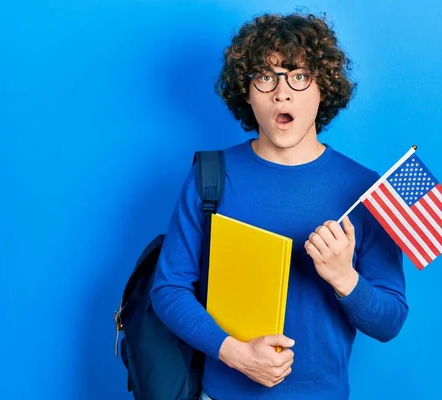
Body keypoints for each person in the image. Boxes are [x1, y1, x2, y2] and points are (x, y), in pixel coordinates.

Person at [150, 12, 408, 400]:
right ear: (247, 92)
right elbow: (169, 289)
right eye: (265, 77)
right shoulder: (211, 176)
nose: (281, 93)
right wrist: (234, 354)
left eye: (299, 76)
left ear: (324, 88)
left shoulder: (365, 189)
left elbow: (390, 321)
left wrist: (343, 277)